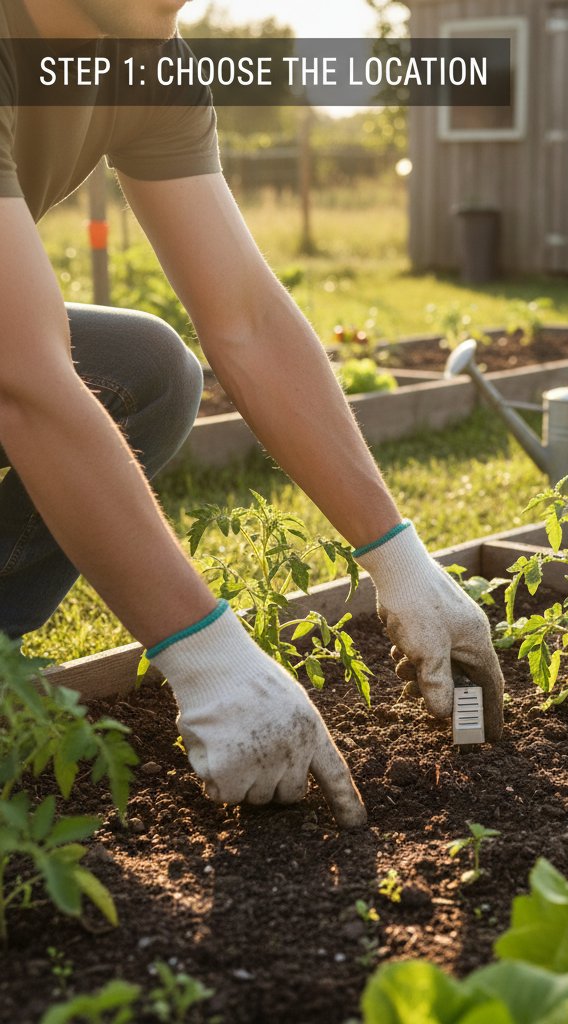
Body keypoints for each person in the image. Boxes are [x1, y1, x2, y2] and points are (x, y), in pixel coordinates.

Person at [0, 0, 505, 828]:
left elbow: (247, 321)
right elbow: (24, 382)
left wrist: (400, 559)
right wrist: (203, 653)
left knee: (149, 373)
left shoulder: (139, 53)